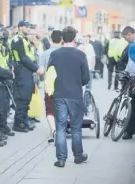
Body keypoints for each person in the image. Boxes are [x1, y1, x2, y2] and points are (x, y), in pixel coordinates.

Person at [47, 26, 89, 168]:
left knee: (60, 128)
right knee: (76, 128)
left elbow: (50, 73)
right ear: (74, 37)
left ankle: (61, 159)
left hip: (59, 94)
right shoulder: (81, 55)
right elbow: (86, 78)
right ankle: (78, 156)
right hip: (75, 95)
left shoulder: (55, 54)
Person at [11, 20, 44, 133]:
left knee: (27, 97)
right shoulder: (17, 40)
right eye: (26, 27)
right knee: (22, 98)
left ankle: (23, 120)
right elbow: (23, 57)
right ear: (20, 27)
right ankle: (18, 123)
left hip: (27, 70)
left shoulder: (24, 40)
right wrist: (36, 68)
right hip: (21, 70)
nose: (28, 29)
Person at [39, 30, 62, 143]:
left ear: (50, 39)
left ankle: (53, 131)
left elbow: (41, 71)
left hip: (49, 85)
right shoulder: (64, 52)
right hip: (63, 84)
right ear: (62, 39)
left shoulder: (45, 53)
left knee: (49, 109)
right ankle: (60, 129)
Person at [121, 26, 135, 140]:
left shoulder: (132, 46)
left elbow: (130, 65)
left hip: (132, 78)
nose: (127, 40)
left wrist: (125, 74)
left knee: (132, 104)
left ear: (130, 34)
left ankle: (129, 131)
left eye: (126, 38)